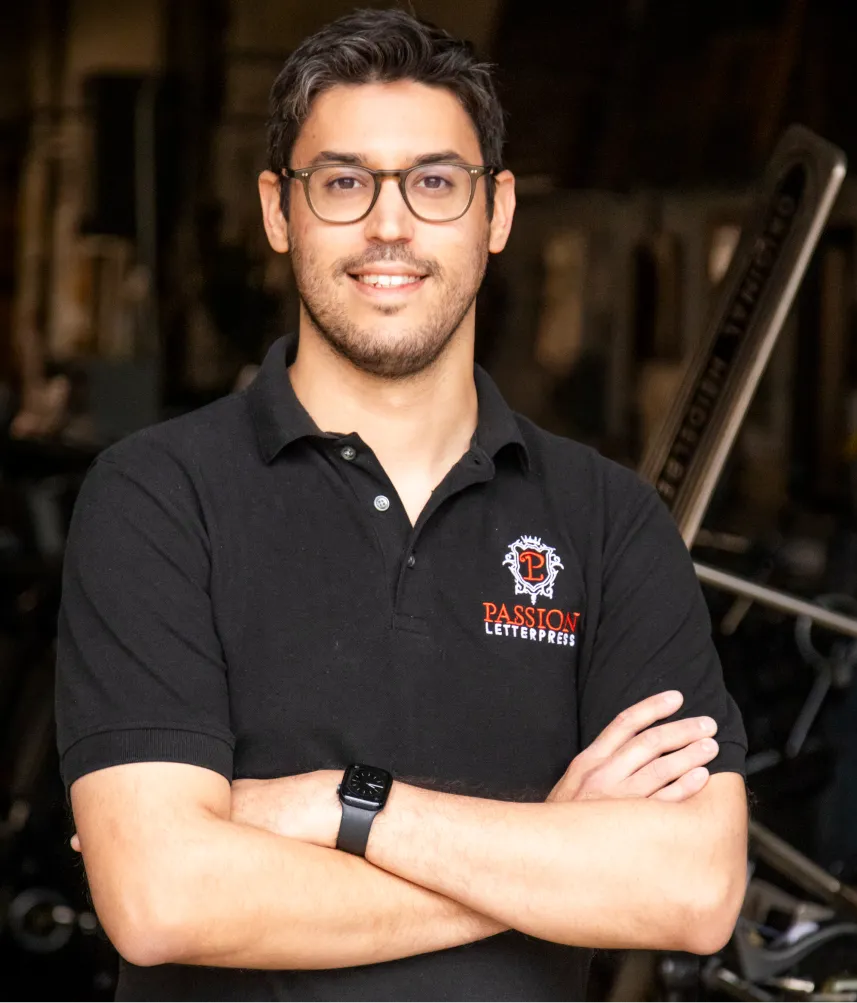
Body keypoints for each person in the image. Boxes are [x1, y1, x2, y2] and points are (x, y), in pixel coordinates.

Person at [55, 10, 748, 1003]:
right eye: (343, 183)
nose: (390, 224)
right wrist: (554, 856)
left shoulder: (608, 522)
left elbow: (692, 889)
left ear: (496, 211)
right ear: (276, 211)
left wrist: (347, 806)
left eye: (434, 182)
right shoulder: (159, 498)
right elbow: (165, 896)